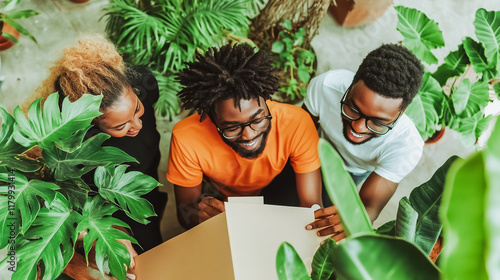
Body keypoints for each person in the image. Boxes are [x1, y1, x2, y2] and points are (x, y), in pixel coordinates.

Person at [28, 35, 167, 259]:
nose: (137, 125)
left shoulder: (144, 81)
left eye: (137, 109)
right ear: (90, 125)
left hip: (147, 177)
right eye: (120, 125)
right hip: (115, 203)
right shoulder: (74, 151)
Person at [167, 43, 324, 229]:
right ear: (211, 119)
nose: (249, 135)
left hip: (274, 190)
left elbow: (311, 205)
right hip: (217, 200)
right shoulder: (186, 137)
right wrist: (201, 217)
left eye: (257, 120)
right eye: (232, 128)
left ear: (267, 100)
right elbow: (185, 214)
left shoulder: (297, 122)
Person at [303, 43, 425, 239]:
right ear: (350, 85)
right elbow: (299, 133)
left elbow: (368, 208)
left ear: (400, 114)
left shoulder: (406, 146)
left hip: (353, 172)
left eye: (378, 123)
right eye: (352, 109)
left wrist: (355, 219)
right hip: (313, 148)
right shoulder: (326, 86)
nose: (357, 128)